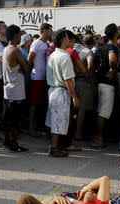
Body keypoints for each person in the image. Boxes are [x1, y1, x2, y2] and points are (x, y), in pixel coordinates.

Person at [45, 29, 80, 157]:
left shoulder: (53, 55)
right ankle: (54, 148)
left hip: (53, 90)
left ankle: (54, 146)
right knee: (58, 121)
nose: (68, 39)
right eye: (66, 37)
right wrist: (75, 96)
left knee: (55, 120)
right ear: (62, 40)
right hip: (61, 91)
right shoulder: (64, 56)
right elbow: (68, 80)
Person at [2, 25, 29, 152]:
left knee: (8, 117)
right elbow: (26, 69)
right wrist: (24, 67)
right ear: (15, 36)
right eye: (19, 35)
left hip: (8, 88)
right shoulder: (15, 51)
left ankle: (7, 141)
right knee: (15, 119)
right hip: (16, 88)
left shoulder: (5, 49)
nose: (20, 38)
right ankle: (14, 143)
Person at [94, 23, 119, 150]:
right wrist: (112, 69)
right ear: (115, 34)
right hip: (107, 85)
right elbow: (112, 59)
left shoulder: (100, 48)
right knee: (103, 113)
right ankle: (98, 138)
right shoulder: (111, 47)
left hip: (99, 83)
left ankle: (99, 137)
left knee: (100, 112)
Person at [27, 23, 53, 137]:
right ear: (45, 30)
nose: (51, 33)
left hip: (43, 78)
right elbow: (30, 58)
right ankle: (31, 128)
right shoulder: (37, 43)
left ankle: (37, 126)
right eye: (50, 30)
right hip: (36, 77)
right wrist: (29, 71)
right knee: (33, 104)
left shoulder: (45, 44)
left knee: (40, 103)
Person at [73, 34, 96, 141]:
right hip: (84, 82)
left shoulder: (79, 51)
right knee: (82, 109)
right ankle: (78, 133)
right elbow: (90, 65)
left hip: (76, 81)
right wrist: (88, 74)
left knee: (75, 108)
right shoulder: (89, 52)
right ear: (93, 43)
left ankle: (73, 132)